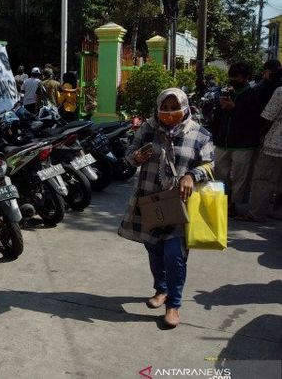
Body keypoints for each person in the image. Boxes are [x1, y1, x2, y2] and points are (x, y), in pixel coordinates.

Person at [119, 88, 214, 328]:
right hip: (150, 203)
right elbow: (128, 156)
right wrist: (136, 157)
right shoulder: (147, 129)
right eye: (165, 107)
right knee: (154, 250)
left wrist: (192, 175)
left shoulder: (199, 134)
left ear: (185, 107)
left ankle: (173, 305)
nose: (169, 113)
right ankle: (160, 289)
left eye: (175, 107)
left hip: (181, 206)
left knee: (175, 256)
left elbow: (210, 164)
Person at [210, 61, 262, 214]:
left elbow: (254, 120)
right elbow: (218, 118)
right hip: (223, 142)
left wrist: (234, 108)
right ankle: (223, 199)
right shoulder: (227, 93)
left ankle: (235, 205)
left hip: (244, 144)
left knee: (241, 177)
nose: (233, 80)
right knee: (220, 172)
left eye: (236, 77)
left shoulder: (253, 95)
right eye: (231, 77)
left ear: (246, 78)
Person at [239, 85, 282, 221]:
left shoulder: (280, 91)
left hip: (275, 144)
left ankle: (256, 213)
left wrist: (259, 136)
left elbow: (268, 117)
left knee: (263, 179)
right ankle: (278, 211)